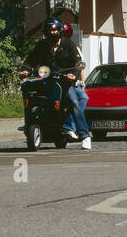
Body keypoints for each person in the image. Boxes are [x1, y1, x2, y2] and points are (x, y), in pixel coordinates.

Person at [21, 17, 91, 149]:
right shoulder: (41, 45)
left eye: (54, 30)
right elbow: (30, 60)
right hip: (46, 79)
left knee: (74, 102)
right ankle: (30, 122)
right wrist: (25, 70)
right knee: (29, 90)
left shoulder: (68, 44)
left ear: (59, 30)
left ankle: (85, 136)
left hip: (64, 82)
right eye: (49, 30)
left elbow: (77, 63)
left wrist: (73, 75)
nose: (52, 32)